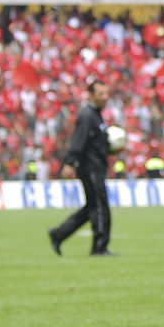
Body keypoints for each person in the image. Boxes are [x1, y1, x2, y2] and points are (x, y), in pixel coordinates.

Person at [48, 80, 116, 257]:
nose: (105, 97)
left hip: (97, 166)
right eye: (101, 94)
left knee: (92, 207)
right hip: (90, 167)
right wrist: (70, 163)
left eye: (106, 93)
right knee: (100, 206)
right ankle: (99, 247)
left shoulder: (96, 115)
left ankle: (59, 234)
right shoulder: (87, 116)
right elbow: (79, 141)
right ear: (91, 95)